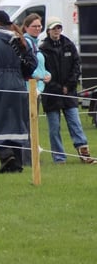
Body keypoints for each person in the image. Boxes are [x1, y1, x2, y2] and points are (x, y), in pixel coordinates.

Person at [0, 10, 37, 173]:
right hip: (18, 85)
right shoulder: (20, 40)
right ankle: (16, 164)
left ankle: (6, 155)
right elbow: (32, 64)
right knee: (16, 123)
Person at [39, 16, 95, 164]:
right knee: (54, 128)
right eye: (54, 28)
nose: (57, 30)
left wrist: (69, 85)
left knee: (75, 124)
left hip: (69, 92)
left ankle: (85, 154)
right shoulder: (43, 49)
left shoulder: (69, 45)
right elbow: (43, 73)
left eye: (59, 27)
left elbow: (76, 67)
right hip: (51, 94)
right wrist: (58, 88)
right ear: (48, 30)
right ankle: (59, 158)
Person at [21, 13, 51, 166]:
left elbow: (40, 66)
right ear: (26, 27)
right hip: (28, 89)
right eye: (34, 26)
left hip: (38, 88)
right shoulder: (25, 43)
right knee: (28, 124)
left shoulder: (35, 43)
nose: (38, 28)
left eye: (39, 26)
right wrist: (38, 76)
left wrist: (47, 74)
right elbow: (25, 66)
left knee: (33, 123)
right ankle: (27, 158)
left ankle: (31, 155)